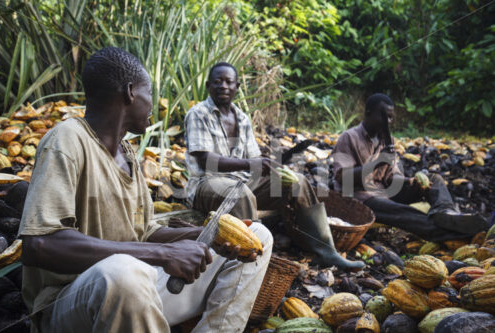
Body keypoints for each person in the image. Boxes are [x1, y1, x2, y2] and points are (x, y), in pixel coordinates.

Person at [18, 47, 273, 333]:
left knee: (259, 234)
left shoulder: (127, 154)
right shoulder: (66, 140)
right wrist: (163, 255)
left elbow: (145, 233)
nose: (153, 103)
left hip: (135, 292)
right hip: (71, 303)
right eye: (149, 93)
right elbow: (39, 246)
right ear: (130, 92)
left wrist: (211, 235)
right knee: (124, 272)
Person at [184, 62, 364, 270]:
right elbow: (207, 160)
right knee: (241, 193)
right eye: (217, 81)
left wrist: (272, 165)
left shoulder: (241, 118)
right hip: (207, 184)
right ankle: (254, 266)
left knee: (299, 182)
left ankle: (327, 252)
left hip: (241, 181)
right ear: (208, 86)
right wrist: (253, 164)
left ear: (237, 86)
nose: (223, 86)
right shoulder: (198, 114)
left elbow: (254, 158)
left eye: (228, 82)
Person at [332, 93, 488, 241]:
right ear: (368, 113)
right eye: (385, 118)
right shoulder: (349, 137)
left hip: (385, 192)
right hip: (361, 198)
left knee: (435, 179)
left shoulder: (388, 139)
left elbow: (392, 176)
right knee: (406, 213)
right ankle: (456, 234)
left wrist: (410, 182)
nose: (389, 123)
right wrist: (376, 163)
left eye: (392, 118)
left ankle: (444, 212)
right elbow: (344, 179)